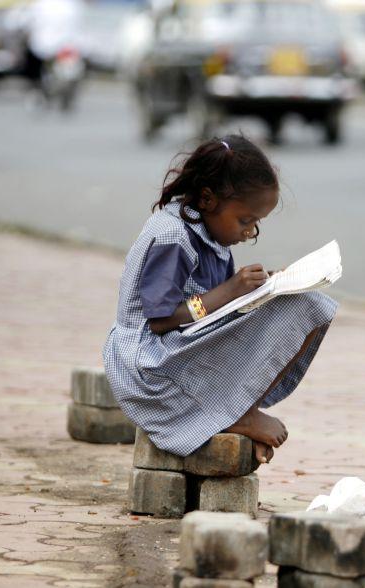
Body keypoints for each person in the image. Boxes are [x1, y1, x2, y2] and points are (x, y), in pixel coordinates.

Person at [103, 134, 337, 464]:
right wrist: (231, 289)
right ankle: (237, 416)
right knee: (308, 308)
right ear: (209, 199)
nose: (250, 231)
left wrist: (267, 286)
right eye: (245, 220)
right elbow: (160, 319)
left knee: (308, 303)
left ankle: (237, 412)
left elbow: (212, 304)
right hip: (151, 371)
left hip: (175, 350)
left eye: (257, 222)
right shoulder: (171, 236)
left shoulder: (209, 234)